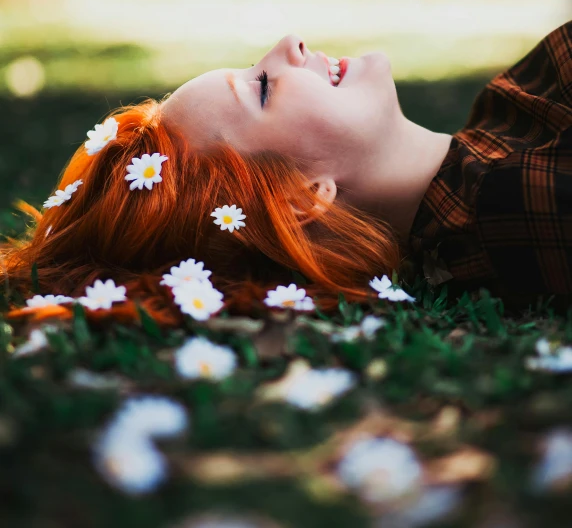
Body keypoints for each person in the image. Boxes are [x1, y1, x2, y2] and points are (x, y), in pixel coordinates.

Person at [2, 23, 571, 325]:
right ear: (305, 198)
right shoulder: (519, 205)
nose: (289, 44)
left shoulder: (508, 110)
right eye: (264, 88)